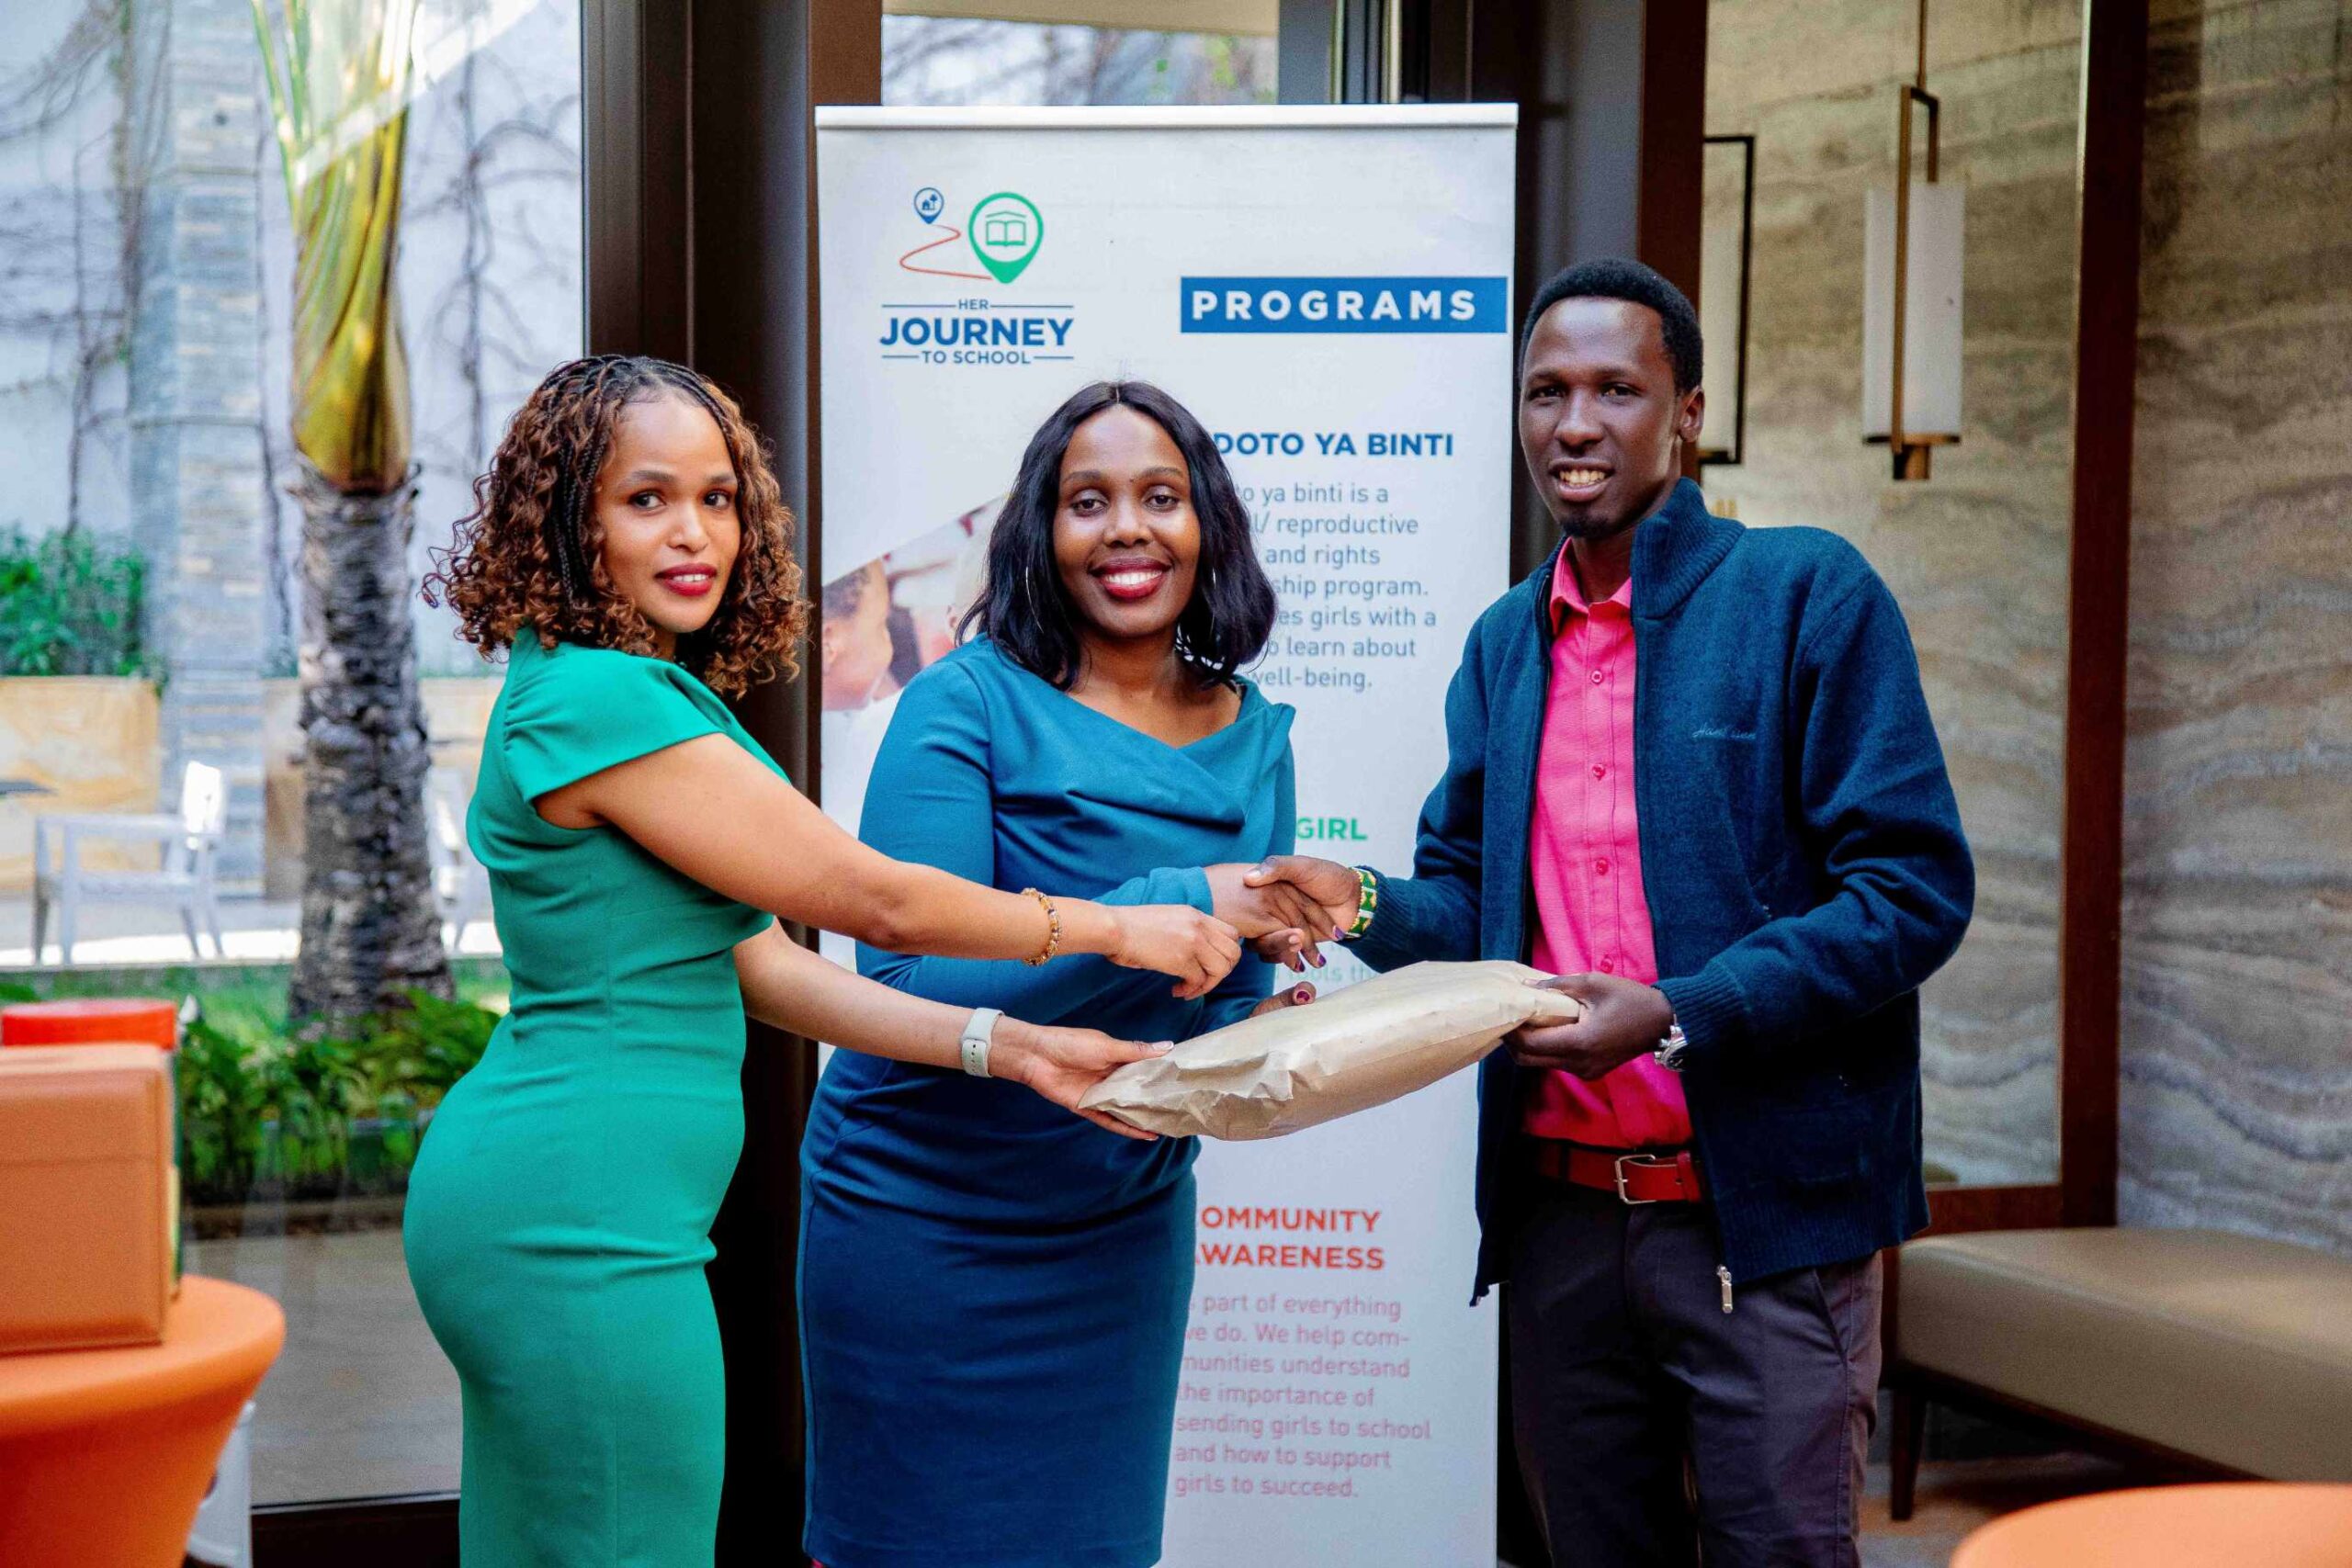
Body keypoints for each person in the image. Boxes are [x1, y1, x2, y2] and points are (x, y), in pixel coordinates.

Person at [403, 355, 1245, 1568]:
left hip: (571, 1207)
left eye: (718, 498)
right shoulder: (600, 702)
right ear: (570, 521)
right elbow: (877, 901)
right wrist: (1118, 925)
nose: (695, 533)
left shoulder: (624, 695)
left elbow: (766, 968)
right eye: (646, 500)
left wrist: (1012, 1047)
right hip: (576, 1221)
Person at [1248, 260, 1976, 1568]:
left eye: (1615, 391)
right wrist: (1358, 902)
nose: (1574, 424)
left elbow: (1912, 893)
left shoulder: (1805, 594)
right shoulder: (1504, 643)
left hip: (1765, 1228)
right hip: (1563, 1227)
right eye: (1546, 392)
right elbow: (1477, 913)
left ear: (1687, 414)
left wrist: (1682, 1013)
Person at [798, 380, 1334, 1568]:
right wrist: (1170, 904)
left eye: (1161, 497)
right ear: (1041, 531)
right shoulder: (963, 703)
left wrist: (1269, 985)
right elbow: (901, 993)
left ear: (1209, 524)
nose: (1128, 528)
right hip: (922, 1214)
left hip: (1118, 1228)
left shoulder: (1255, 734)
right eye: (1089, 501)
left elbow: (1210, 1017)